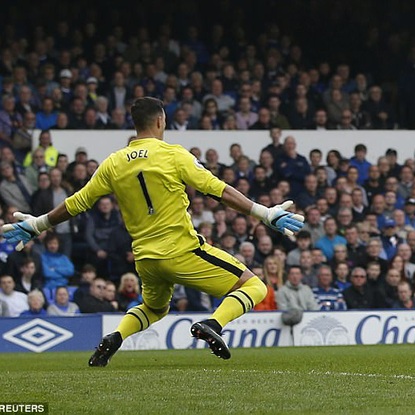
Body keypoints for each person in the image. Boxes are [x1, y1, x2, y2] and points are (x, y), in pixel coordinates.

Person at [1, 97, 304, 366]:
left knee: (154, 308)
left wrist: (38, 224)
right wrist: (264, 213)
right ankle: (213, 323)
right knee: (255, 287)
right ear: (160, 121)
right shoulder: (173, 154)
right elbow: (218, 190)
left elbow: (78, 202)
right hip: (182, 251)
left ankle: (115, 338)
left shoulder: (114, 162)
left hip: (146, 258)